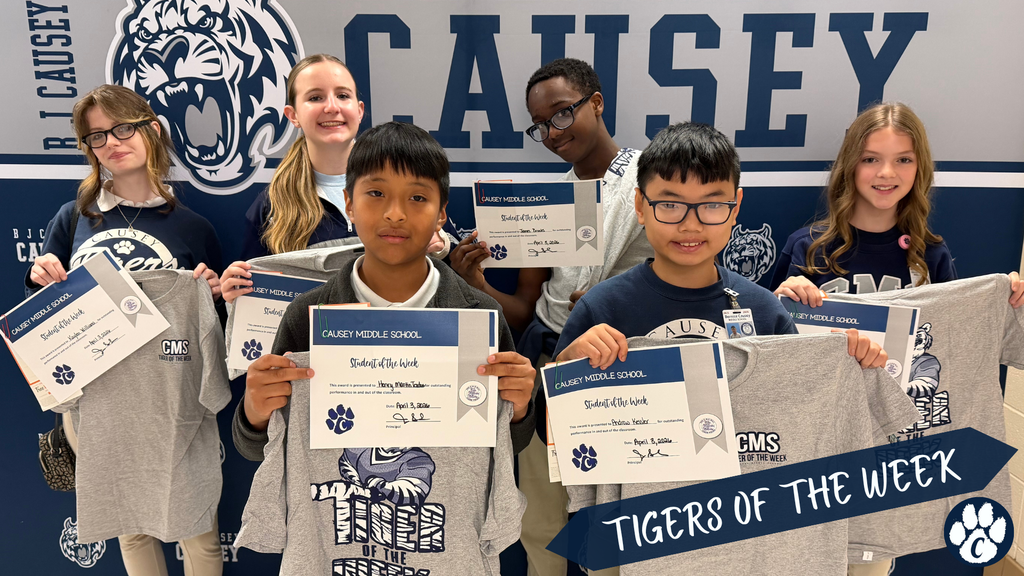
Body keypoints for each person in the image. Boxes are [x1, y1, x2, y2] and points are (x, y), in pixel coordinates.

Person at [769, 103, 1023, 575]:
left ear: (919, 168)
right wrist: (781, 297)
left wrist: (1003, 299)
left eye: (903, 159)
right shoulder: (807, 247)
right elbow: (762, 350)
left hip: (890, 453)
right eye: (871, 158)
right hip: (817, 447)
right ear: (850, 165)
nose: (886, 172)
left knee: (870, 559)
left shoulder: (932, 254)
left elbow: (951, 343)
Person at [231, 120, 536, 459]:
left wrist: (519, 409)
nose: (395, 214)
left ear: (441, 215)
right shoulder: (306, 315)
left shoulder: (481, 314)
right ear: (349, 203)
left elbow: (510, 444)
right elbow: (262, 450)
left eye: (418, 197)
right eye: (376, 193)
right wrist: (255, 414)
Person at [28, 84, 224, 576]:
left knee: (198, 529)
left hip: (171, 397)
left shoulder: (194, 226)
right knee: (130, 527)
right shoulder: (73, 219)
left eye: (122, 128)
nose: (112, 142)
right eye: (96, 136)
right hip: (100, 398)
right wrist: (41, 279)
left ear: (150, 129)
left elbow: (213, 325)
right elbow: (41, 321)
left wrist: (214, 292)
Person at [220, 54, 453, 303]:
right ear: (292, 115)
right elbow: (255, 300)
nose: (332, 107)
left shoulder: (409, 178)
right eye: (315, 97)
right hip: (316, 337)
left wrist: (443, 244)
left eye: (343, 96)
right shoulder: (271, 206)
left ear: (359, 110)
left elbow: (453, 272)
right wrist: (234, 292)